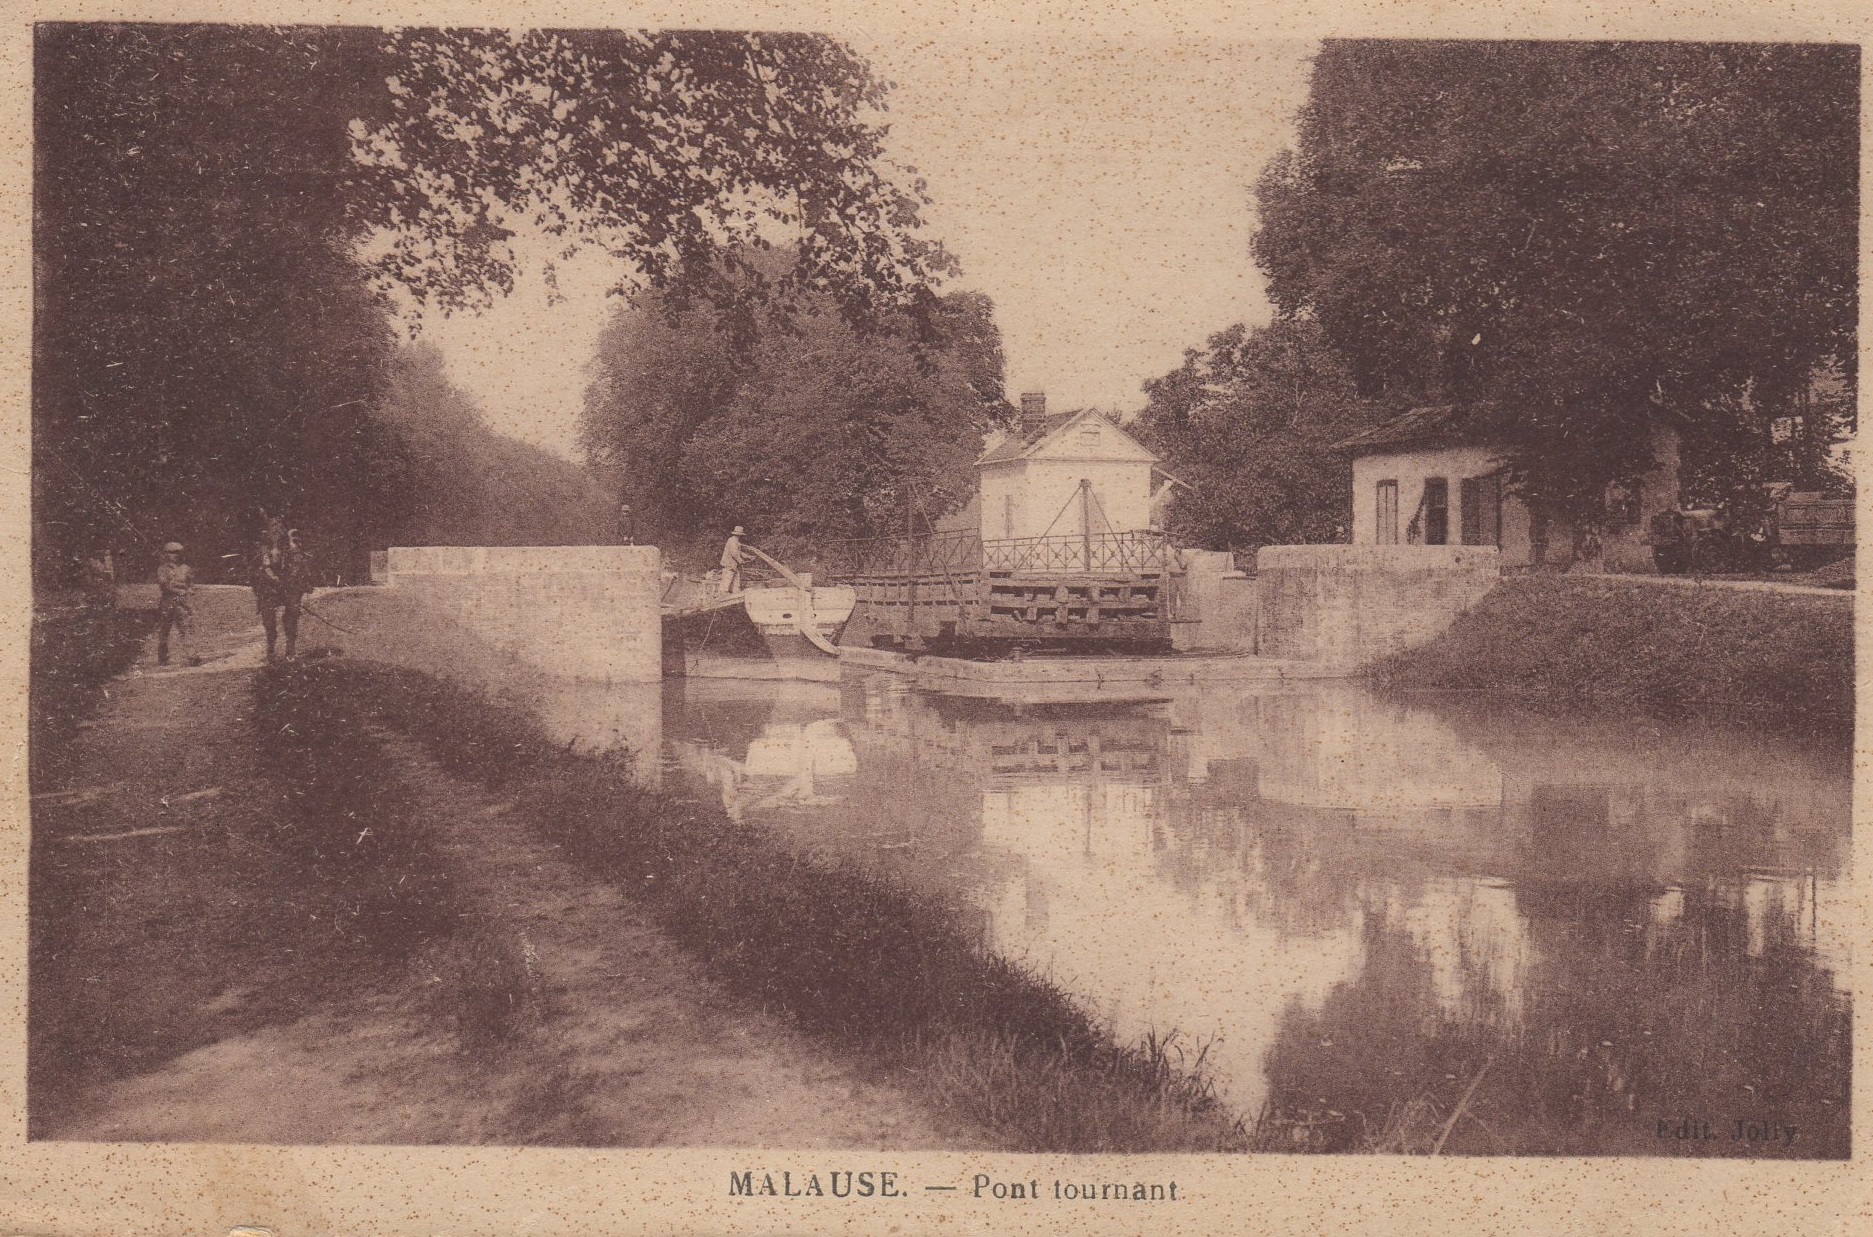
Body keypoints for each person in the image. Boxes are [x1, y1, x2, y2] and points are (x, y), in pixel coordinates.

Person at [253, 520, 311, 660]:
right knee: (268, 618)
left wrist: (293, 582)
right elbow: (264, 568)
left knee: (292, 613)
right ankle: (270, 649)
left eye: (279, 529)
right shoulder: (264, 549)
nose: (277, 532)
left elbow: (298, 565)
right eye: (274, 529)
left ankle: (290, 649)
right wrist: (273, 579)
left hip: (287, 585)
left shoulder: (291, 548)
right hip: (269, 586)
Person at [154, 541, 198, 666]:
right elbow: (164, 586)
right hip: (168, 602)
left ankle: (192, 656)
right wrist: (180, 590)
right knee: (164, 630)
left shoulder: (186, 568)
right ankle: (163, 657)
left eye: (178, 552)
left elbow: (191, 584)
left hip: (182, 603)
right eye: (172, 552)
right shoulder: (162, 569)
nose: (175, 555)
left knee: (186, 628)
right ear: (166, 554)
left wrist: (190, 590)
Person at [718, 525, 747, 594]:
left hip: (733, 565)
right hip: (729, 564)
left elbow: (738, 552)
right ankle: (722, 596)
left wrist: (747, 556)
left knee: (736, 580)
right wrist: (741, 561)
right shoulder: (733, 541)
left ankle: (735, 594)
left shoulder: (735, 541)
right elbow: (734, 553)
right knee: (726, 581)